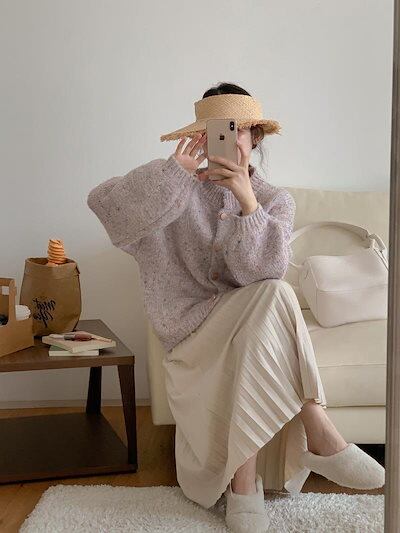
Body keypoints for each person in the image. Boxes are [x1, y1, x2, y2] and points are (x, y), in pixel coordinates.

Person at [87, 82, 385, 533]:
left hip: (248, 328)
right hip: (190, 336)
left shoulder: (274, 200)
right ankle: (320, 433)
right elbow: (106, 208)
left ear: (255, 137)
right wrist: (172, 174)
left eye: (237, 129)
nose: (228, 139)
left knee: (274, 293)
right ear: (199, 136)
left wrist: (247, 201)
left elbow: (262, 274)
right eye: (215, 131)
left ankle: (243, 485)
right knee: (276, 296)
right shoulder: (173, 186)